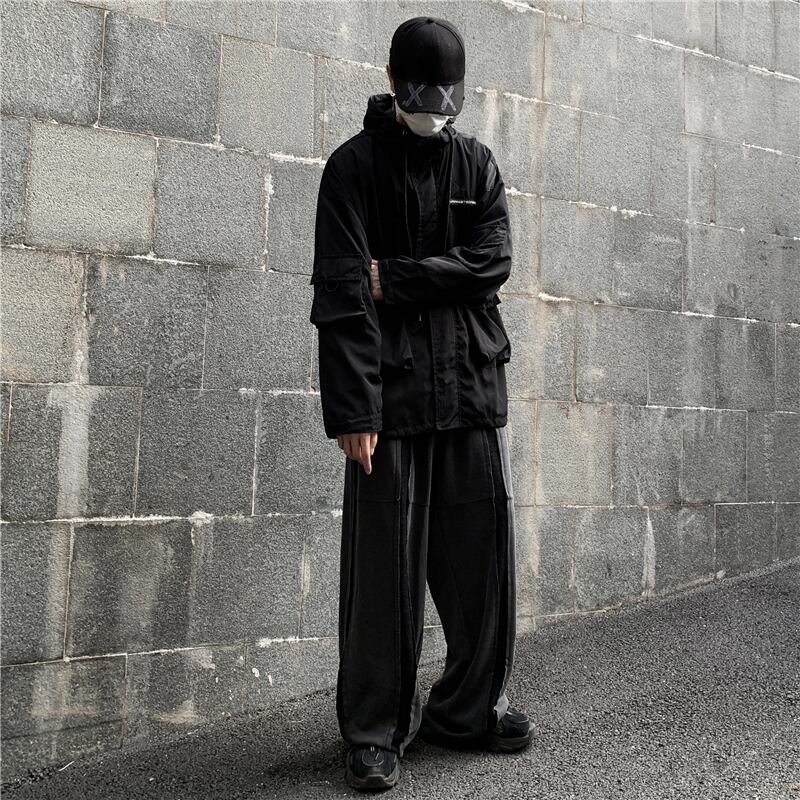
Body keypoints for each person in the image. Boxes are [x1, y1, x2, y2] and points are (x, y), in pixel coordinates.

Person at [309, 16, 531, 792]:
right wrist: (355, 411)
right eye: (422, 94)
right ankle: (373, 731)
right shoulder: (352, 169)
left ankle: (468, 710)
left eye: (447, 97)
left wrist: (396, 277)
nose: (436, 110)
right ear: (392, 81)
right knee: (384, 577)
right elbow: (343, 292)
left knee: (482, 565)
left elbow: (492, 260)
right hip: (390, 399)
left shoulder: (477, 163)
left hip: (469, 386)